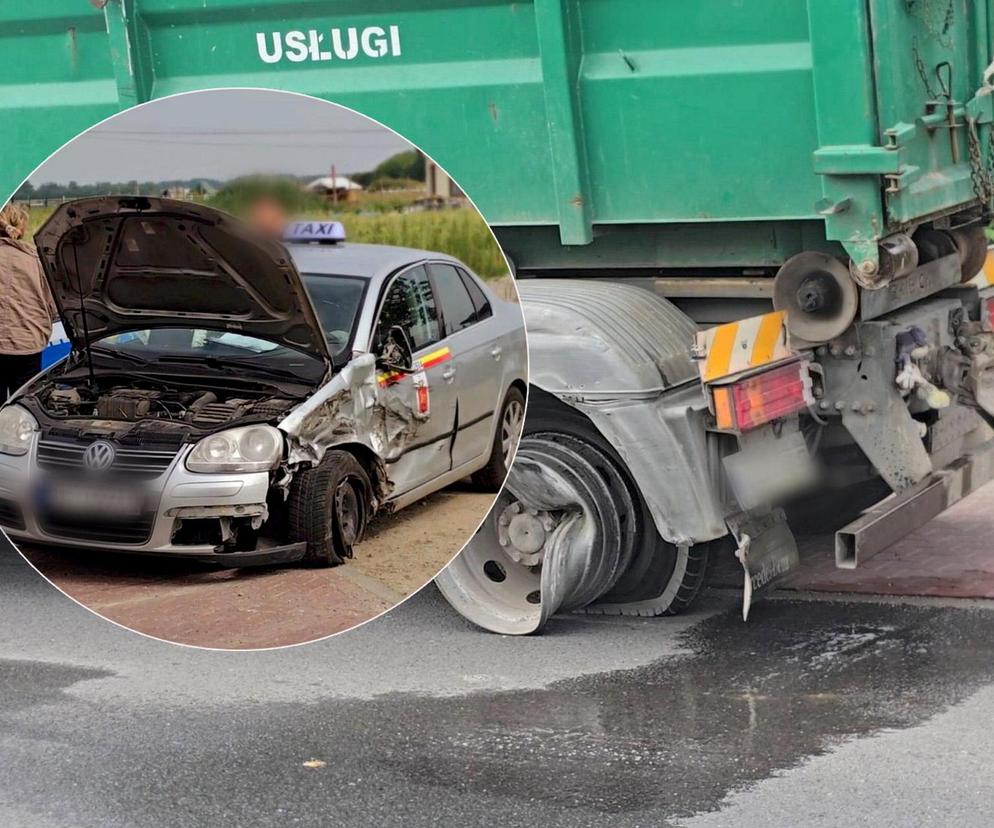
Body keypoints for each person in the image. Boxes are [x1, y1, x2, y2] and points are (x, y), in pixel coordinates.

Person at [0, 202, 58, 400]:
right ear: (22, 227)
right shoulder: (35, 259)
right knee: (24, 408)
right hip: (28, 344)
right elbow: (53, 304)